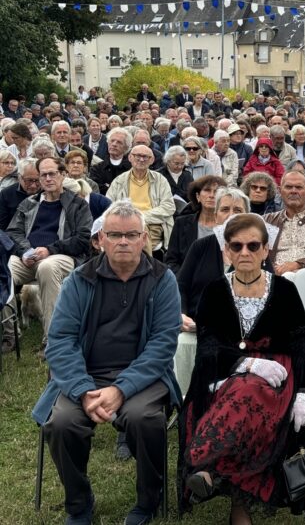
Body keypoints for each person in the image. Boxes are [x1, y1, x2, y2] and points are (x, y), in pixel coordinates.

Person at [31, 201, 181, 525]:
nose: (123, 242)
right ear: (101, 240)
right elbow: (61, 341)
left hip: (143, 378)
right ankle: (79, 503)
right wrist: (83, 391)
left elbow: (162, 346)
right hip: (86, 376)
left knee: (144, 419)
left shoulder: (163, 279)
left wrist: (121, 390)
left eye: (131, 235)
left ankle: (148, 501)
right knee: (62, 423)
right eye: (114, 235)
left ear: (144, 238)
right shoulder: (78, 279)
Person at [179, 213, 305, 521]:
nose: (244, 252)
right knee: (245, 389)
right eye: (236, 246)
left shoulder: (285, 290)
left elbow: (303, 344)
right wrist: (245, 362)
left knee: (249, 391)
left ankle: (207, 466)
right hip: (228, 371)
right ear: (226, 252)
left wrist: (304, 391)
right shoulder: (214, 292)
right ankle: (237, 503)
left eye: (253, 246)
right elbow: (208, 347)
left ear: (265, 250)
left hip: (280, 374)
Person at [7, 156, 92, 350]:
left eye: (52, 174)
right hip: (29, 256)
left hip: (63, 256)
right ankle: (10, 334)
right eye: (43, 175)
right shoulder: (29, 203)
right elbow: (13, 232)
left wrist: (50, 249)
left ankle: (52, 340)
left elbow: (83, 239)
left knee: (47, 267)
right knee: (4, 269)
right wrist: (25, 251)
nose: (47, 179)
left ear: (63, 174)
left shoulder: (77, 205)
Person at [177, 188, 250, 334]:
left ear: (247, 217)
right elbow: (181, 286)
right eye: (225, 209)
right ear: (216, 216)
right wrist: (181, 314)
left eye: (237, 210)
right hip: (197, 328)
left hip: (242, 331)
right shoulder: (200, 246)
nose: (231, 215)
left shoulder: (256, 249)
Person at [106, 143, 176, 254]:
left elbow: (169, 206)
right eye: (137, 156)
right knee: (135, 238)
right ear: (130, 157)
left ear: (152, 160)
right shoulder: (119, 181)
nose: (141, 159)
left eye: (145, 157)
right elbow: (108, 206)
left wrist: (141, 217)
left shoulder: (160, 180)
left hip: (153, 224)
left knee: (140, 234)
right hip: (124, 225)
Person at [164, 175, 226, 273]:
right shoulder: (181, 223)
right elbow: (171, 260)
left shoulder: (228, 226)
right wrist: (183, 278)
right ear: (198, 196)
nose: (212, 195)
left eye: (216, 191)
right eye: (207, 190)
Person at [0, 157, 40, 230]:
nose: (33, 186)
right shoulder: (6, 194)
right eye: (29, 181)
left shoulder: (47, 192)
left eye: (37, 180)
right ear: (19, 177)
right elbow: (2, 226)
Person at [90, 128, 133, 195]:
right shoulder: (96, 168)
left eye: (119, 142)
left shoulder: (132, 169)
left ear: (126, 147)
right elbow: (97, 189)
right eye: (112, 141)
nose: (114, 144)